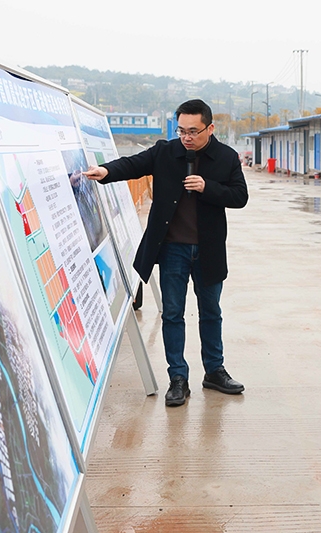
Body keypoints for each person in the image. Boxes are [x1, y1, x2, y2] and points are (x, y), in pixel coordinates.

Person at [83, 99, 249, 407]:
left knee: (211, 311)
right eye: (182, 130)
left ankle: (214, 371)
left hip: (209, 250)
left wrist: (207, 187)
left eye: (194, 131)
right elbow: (133, 164)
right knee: (173, 314)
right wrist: (105, 171)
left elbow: (240, 196)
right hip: (172, 249)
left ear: (210, 128)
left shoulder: (226, 157)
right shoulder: (165, 152)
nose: (186, 137)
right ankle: (178, 379)